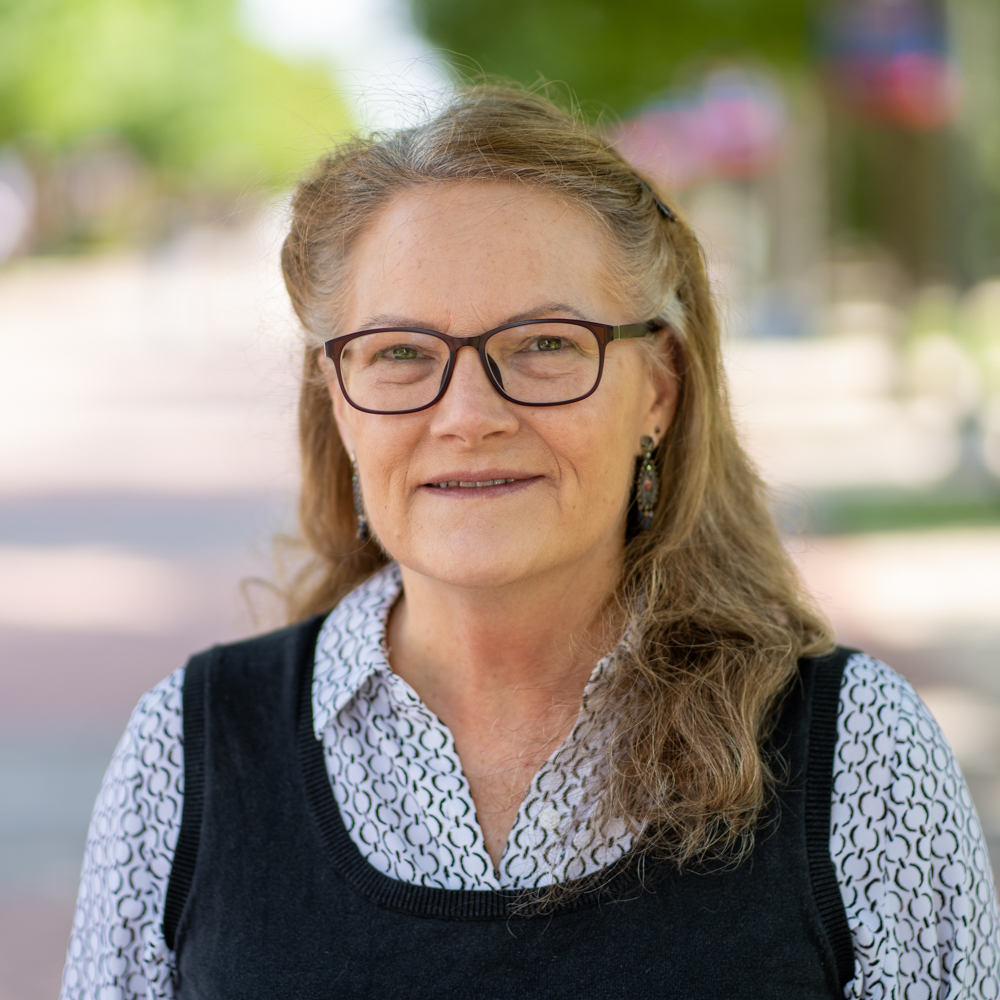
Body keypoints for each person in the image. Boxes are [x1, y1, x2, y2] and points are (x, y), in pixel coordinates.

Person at [61, 87, 999, 1000]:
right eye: (400, 352)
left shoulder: (858, 755)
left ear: (659, 390)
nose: (469, 415)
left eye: (545, 344)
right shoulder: (183, 753)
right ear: (337, 400)